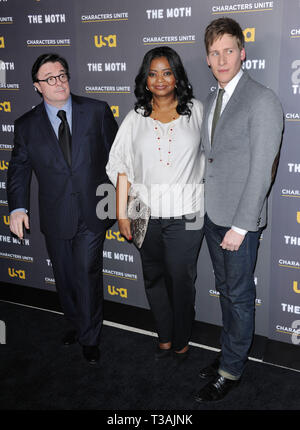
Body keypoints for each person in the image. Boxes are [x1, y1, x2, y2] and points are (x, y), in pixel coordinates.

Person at [7, 53, 118, 364]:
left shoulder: (96, 111)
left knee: (86, 272)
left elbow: (118, 159)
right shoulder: (26, 126)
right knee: (66, 277)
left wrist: (119, 203)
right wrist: (17, 208)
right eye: (49, 78)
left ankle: (90, 336)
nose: (58, 82)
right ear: (37, 87)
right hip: (55, 215)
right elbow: (18, 170)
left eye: (62, 75)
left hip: (94, 211)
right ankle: (77, 322)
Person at [195, 18, 283, 402]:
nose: (221, 58)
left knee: (240, 296)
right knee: (227, 293)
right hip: (214, 216)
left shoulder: (262, 99)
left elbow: (263, 169)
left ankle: (231, 370)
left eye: (228, 50)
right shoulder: (212, 98)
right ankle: (227, 353)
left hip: (238, 225)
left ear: (242, 53)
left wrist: (242, 227)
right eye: (214, 53)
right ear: (208, 59)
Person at [106, 46, 204, 361]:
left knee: (181, 279)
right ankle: (164, 336)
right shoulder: (135, 118)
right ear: (145, 80)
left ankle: (181, 337)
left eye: (166, 72)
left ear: (177, 76)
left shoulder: (197, 111)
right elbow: (122, 168)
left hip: (186, 214)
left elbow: (216, 155)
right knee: (154, 278)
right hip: (144, 213)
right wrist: (122, 214)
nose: (159, 79)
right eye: (152, 73)